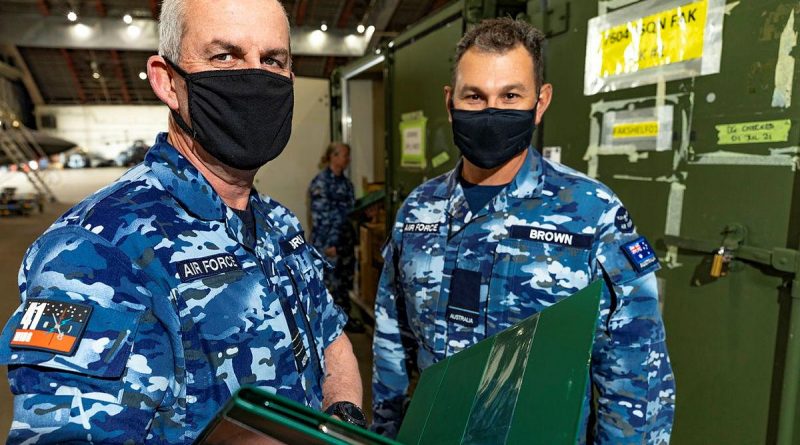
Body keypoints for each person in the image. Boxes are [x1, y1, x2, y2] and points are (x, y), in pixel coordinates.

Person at [0, 0, 364, 443]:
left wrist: (342, 417)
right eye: (224, 56)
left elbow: (331, 338)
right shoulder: (95, 250)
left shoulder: (278, 225)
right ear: (167, 81)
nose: (253, 78)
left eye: (272, 60)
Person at [371, 18, 675, 444]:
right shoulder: (420, 209)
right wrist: (384, 435)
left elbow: (635, 371)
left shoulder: (593, 213)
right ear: (450, 101)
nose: (491, 111)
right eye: (474, 96)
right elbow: (392, 342)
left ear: (541, 100)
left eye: (510, 95)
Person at [309, 143, 364, 333]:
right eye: (345, 156)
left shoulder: (346, 184)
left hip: (344, 242)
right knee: (330, 284)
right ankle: (330, 326)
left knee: (344, 282)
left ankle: (344, 320)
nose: (348, 160)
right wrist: (330, 244)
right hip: (329, 243)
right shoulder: (321, 183)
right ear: (333, 156)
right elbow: (320, 217)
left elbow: (349, 214)